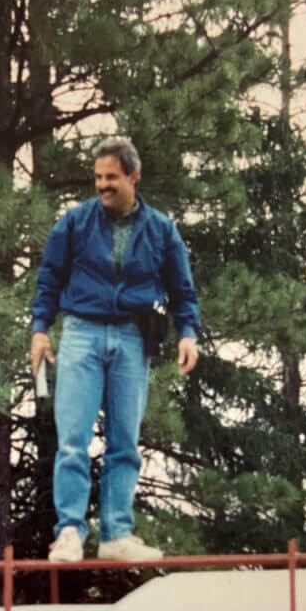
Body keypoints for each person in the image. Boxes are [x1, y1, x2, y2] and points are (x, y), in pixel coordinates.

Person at [30, 136, 201, 563]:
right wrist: (39, 329)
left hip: (131, 335)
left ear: (132, 177)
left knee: (125, 440)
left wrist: (187, 333)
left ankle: (115, 535)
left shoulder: (162, 229)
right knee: (72, 439)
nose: (102, 185)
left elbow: (183, 288)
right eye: (98, 177)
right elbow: (49, 277)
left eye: (111, 177)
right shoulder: (74, 222)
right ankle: (69, 531)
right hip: (82, 333)